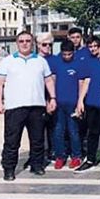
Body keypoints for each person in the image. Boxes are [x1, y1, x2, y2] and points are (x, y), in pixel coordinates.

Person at [0, 31, 56, 181]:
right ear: (17, 43)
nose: (25, 43)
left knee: (37, 139)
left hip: (37, 106)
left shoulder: (41, 61)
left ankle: (37, 165)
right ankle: (9, 169)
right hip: (15, 107)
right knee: (12, 140)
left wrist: (52, 98)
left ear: (33, 43)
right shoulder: (7, 61)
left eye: (28, 41)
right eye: (21, 41)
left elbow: (48, 81)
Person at [75, 38, 100, 173]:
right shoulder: (92, 64)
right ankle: (90, 159)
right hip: (92, 103)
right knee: (93, 132)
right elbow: (86, 82)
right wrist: (80, 101)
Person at [50, 40, 83, 170]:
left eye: (69, 54)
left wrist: (80, 102)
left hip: (73, 104)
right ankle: (60, 156)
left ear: (73, 52)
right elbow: (52, 80)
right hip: (59, 103)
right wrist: (51, 99)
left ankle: (76, 156)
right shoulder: (56, 62)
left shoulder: (78, 63)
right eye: (65, 54)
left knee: (73, 131)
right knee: (58, 131)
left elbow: (81, 83)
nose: (67, 57)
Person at [36, 33, 57, 162]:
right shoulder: (34, 59)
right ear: (38, 45)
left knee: (51, 127)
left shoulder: (54, 60)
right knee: (37, 130)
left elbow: (52, 81)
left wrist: (50, 99)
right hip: (36, 99)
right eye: (44, 44)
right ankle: (37, 155)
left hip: (49, 97)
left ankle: (52, 152)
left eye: (50, 44)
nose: (47, 47)